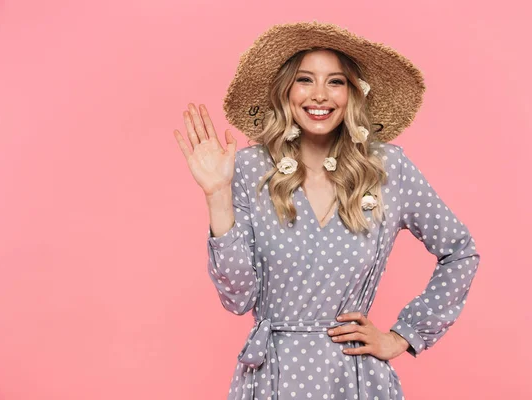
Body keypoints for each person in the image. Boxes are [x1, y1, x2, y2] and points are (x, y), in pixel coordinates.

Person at [174, 21, 480, 400]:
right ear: (285, 91)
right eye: (305, 79)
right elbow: (237, 300)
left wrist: (405, 336)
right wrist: (217, 194)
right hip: (273, 376)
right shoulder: (249, 168)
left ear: (353, 93)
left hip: (354, 378)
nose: (319, 95)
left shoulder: (387, 168)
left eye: (335, 82)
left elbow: (460, 250)